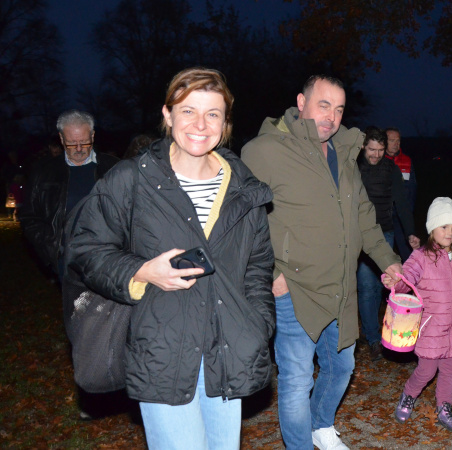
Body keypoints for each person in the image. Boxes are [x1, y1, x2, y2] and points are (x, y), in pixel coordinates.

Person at [66, 67, 276, 449]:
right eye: (188, 111)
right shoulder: (132, 179)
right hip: (162, 352)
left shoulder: (244, 187)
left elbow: (258, 266)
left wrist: (257, 325)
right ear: (167, 114)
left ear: (226, 122)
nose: (200, 124)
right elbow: (86, 248)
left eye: (213, 113)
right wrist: (141, 271)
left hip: (228, 352)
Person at [241, 75, 402, 450]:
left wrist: (388, 262)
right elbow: (243, 221)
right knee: (297, 380)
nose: (331, 116)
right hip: (293, 288)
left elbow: (363, 215)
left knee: (342, 367)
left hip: (340, 286)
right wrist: (271, 274)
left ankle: (320, 425)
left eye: (339, 109)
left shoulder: (344, 152)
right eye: (323, 105)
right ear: (301, 102)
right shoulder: (264, 151)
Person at [382, 197, 452, 431]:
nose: (449, 232)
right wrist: (395, 281)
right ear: (432, 229)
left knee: (450, 370)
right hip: (430, 328)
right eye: (444, 226)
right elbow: (407, 278)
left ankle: (444, 408)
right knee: (426, 370)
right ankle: (408, 395)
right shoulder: (421, 257)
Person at [19, 110, 118, 283]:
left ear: (93, 136)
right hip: (66, 264)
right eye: (72, 143)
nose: (79, 149)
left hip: (110, 262)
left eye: (84, 142)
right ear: (61, 138)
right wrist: (51, 247)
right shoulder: (43, 172)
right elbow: (29, 216)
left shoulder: (115, 168)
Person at [356, 126, 420, 362]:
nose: (376, 155)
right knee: (367, 286)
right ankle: (373, 338)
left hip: (385, 232)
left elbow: (401, 202)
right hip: (361, 235)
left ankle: (375, 330)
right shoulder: (354, 167)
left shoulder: (391, 169)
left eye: (380, 150)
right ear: (363, 146)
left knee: (382, 284)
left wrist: (410, 232)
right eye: (371, 150)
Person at [384, 127, 417, 262]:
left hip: (401, 215)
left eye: (398, 140)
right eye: (392, 140)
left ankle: (411, 273)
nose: (396, 144)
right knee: (385, 251)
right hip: (384, 216)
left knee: (407, 251)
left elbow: (412, 189)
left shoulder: (407, 160)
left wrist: (409, 211)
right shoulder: (377, 160)